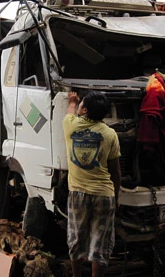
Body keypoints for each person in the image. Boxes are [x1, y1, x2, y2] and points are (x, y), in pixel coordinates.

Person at [63, 91, 121, 277]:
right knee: (100, 242)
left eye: (82, 104)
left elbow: (70, 110)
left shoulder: (71, 127)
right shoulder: (110, 134)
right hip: (104, 194)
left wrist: (72, 100)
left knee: (76, 238)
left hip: (78, 194)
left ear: (84, 109)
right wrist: (116, 198)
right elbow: (116, 172)